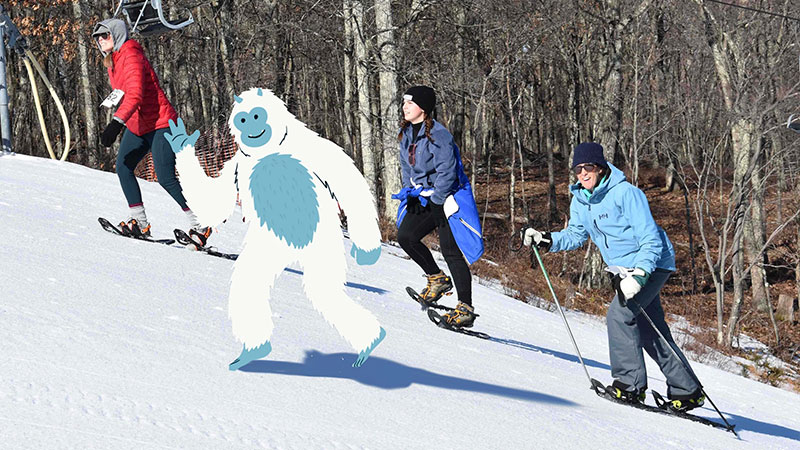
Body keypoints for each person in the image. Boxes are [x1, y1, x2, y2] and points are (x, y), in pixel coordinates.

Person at [522, 142, 705, 411]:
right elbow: (575, 235)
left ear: (601, 167)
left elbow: (650, 239)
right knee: (650, 330)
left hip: (652, 264)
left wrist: (640, 275)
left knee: (619, 316)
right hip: (623, 271)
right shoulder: (581, 199)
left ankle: (629, 386)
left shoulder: (626, 194)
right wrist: (546, 239)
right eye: (578, 169)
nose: (583, 173)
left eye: (589, 167)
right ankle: (687, 390)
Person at [92, 19, 210, 246]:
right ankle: (140, 222)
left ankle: (201, 222)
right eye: (97, 37)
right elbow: (121, 92)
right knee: (123, 166)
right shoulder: (113, 60)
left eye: (104, 35)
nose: (100, 40)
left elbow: (135, 94)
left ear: (116, 35)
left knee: (165, 177)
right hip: (139, 125)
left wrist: (116, 123)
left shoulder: (131, 54)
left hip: (161, 123)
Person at [394, 86, 483, 328]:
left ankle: (465, 308)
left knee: (450, 251)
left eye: (409, 103)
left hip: (451, 197)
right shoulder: (407, 135)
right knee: (406, 236)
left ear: (422, 108)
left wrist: (437, 199)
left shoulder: (439, 135)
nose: (404, 107)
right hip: (426, 195)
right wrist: (410, 192)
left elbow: (448, 171)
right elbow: (407, 170)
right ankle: (437, 279)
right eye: (404, 103)